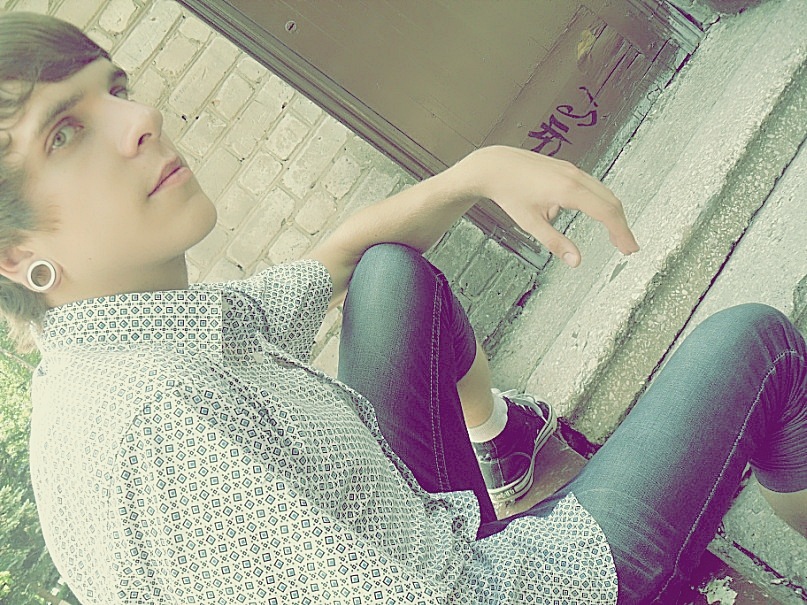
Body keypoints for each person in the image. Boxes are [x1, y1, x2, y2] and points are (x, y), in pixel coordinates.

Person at [0, 11, 804, 605]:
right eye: (64, 133)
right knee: (756, 346)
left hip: (412, 545)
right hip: (484, 591)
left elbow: (333, 262)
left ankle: (505, 448)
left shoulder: (131, 337)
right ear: (11, 252)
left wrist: (473, 173)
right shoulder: (155, 425)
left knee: (387, 276)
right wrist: (553, 551)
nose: (141, 121)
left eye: (116, 88)